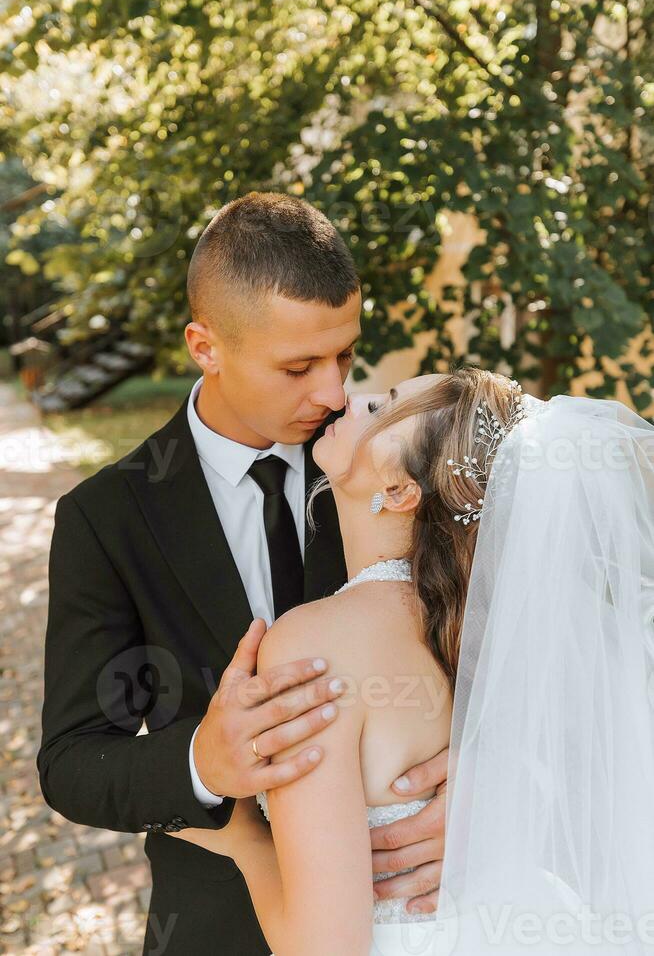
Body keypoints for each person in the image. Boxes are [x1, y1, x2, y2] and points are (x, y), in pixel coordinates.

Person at [37, 192, 448, 956]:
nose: (332, 394)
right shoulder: (106, 518)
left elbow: (501, 655)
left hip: (414, 904)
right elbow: (71, 762)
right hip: (215, 925)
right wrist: (203, 761)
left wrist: (479, 781)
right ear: (206, 346)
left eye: (344, 356)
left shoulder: (383, 468)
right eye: (298, 366)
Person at [170, 368, 654, 956]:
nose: (352, 397)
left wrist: (243, 837)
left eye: (382, 408)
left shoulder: (311, 645)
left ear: (400, 491)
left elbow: (325, 948)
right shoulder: (484, 626)